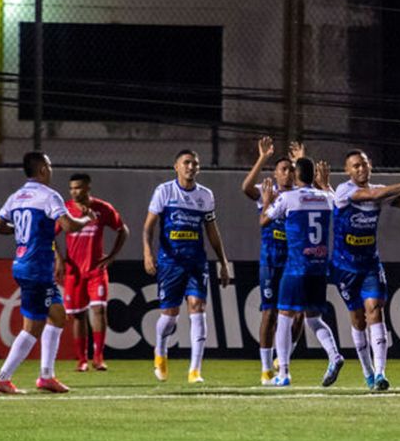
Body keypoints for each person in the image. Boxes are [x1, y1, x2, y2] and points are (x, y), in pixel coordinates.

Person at [0, 152, 91, 394]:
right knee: (32, 327)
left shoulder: (16, 197)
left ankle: (46, 377)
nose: (51, 170)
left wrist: (24, 233)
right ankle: (2, 378)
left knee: (58, 315)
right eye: (50, 165)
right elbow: (67, 226)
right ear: (43, 169)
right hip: (36, 268)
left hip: (24, 264)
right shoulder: (48, 196)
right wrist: (86, 219)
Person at [330, 151, 400, 391]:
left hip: (370, 265)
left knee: (375, 310)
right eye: (355, 166)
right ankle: (367, 371)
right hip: (345, 267)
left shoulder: (380, 191)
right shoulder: (344, 191)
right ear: (348, 171)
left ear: (370, 165)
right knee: (357, 319)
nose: (361, 169)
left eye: (364, 164)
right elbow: (373, 195)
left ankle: (381, 374)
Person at [143, 149, 231, 384]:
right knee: (170, 315)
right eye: (186, 163)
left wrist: (223, 262)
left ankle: (195, 370)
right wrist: (147, 252)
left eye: (195, 163)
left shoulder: (205, 196)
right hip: (170, 262)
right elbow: (149, 226)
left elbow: (212, 231)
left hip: (196, 262)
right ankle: (160, 350)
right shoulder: (165, 191)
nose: (191, 167)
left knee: (197, 306)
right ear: (176, 167)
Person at [260, 157, 343, 387]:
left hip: (296, 267)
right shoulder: (327, 197)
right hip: (319, 267)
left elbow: (264, 220)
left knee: (284, 317)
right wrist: (325, 185)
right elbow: (341, 206)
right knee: (314, 318)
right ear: (314, 175)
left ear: (296, 175)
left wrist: (267, 201)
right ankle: (334, 355)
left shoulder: (288, 198)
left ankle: (284, 373)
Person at [241, 136, 306, 385]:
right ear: (276, 174)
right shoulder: (267, 192)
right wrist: (262, 158)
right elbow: (246, 188)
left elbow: (318, 192)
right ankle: (267, 369)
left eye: (291, 169)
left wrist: (301, 160)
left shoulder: (300, 194)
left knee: (298, 314)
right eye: (283, 169)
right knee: (269, 314)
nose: (288, 172)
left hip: (295, 262)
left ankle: (285, 356)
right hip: (271, 260)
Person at [54, 173, 129, 372]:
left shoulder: (103, 208)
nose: (74, 191)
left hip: (96, 270)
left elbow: (123, 230)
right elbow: (49, 236)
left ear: (88, 188)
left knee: (99, 310)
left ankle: (98, 357)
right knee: (77, 316)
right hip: (74, 272)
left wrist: (112, 256)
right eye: (72, 188)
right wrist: (59, 259)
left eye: (78, 187)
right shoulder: (65, 209)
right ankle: (82, 360)